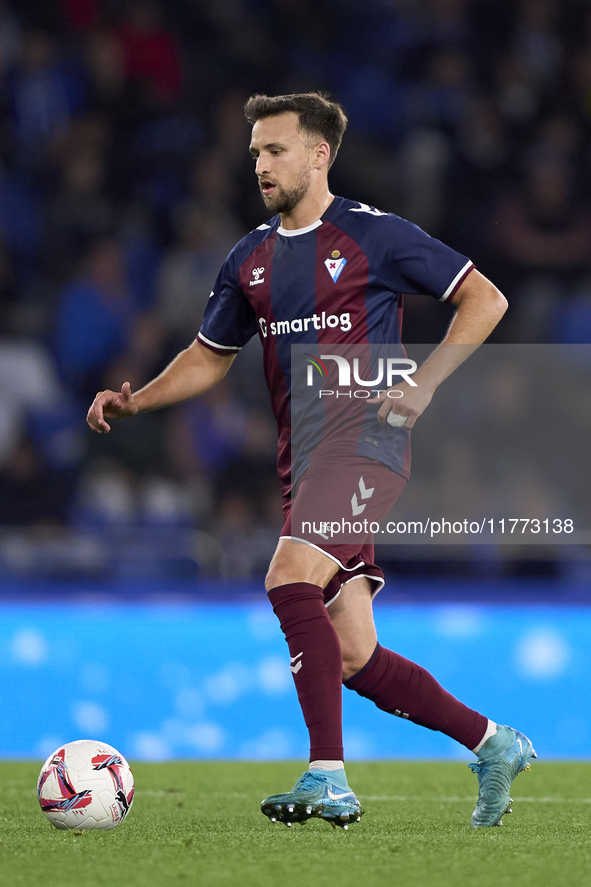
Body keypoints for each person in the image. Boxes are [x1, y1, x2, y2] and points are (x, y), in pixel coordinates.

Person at [87, 92, 536, 831]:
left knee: (286, 575)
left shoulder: (375, 236)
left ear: (318, 154)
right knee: (355, 653)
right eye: (256, 152)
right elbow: (209, 356)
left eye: (276, 150)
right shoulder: (249, 258)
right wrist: (139, 399)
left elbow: (484, 299)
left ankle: (327, 774)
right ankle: (492, 742)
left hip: (369, 440)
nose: (260, 164)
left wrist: (421, 385)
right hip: (305, 460)